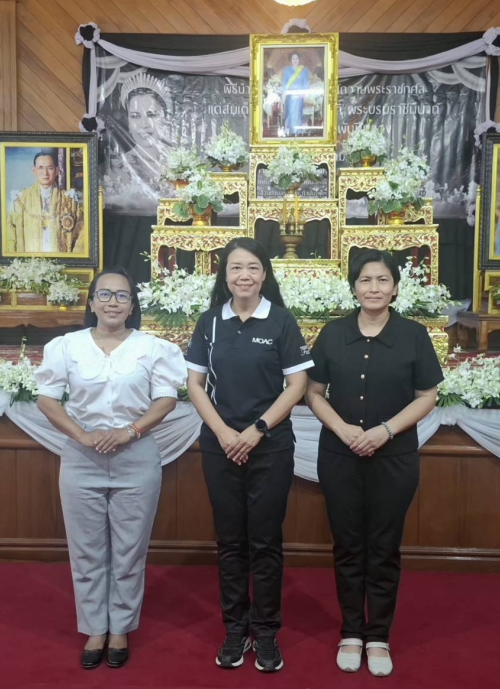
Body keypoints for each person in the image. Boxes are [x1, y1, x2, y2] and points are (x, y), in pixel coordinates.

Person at [35, 266, 186, 670]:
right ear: (91, 302)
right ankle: (94, 629)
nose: (113, 302)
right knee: (86, 550)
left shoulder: (153, 348)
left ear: (132, 305)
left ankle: (120, 627)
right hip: (81, 458)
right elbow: (47, 398)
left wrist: (129, 431)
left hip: (136, 456)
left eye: (122, 296)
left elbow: (166, 399)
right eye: (104, 294)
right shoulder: (67, 346)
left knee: (129, 551)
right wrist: (81, 435)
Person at [305, 250, 443, 678]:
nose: (374, 288)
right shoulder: (333, 333)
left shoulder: (413, 335)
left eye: (383, 280)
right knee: (348, 545)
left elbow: (428, 396)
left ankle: (378, 636)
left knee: (383, 548)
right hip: (339, 455)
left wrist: (386, 430)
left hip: (394, 457)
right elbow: (313, 392)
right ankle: (351, 632)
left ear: (395, 288)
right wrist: (343, 429)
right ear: (354, 287)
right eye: (365, 280)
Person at [185, 237, 313, 673]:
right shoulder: (210, 322)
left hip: (269, 446)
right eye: (236, 267)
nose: (245, 275)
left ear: (264, 275)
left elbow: (297, 385)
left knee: (265, 542)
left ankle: (267, 631)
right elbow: (195, 384)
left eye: (253, 267)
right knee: (230, 542)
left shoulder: (281, 321)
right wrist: (224, 433)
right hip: (220, 446)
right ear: (225, 275)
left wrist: (257, 430)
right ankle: (235, 629)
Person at [102, 71, 174, 213]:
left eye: (151, 115)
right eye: (135, 116)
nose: (144, 124)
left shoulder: (181, 165)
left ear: (164, 119)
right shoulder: (117, 169)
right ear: (128, 123)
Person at [8, 150, 84, 254]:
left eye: (50, 168)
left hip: (61, 259)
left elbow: (81, 231)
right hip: (31, 261)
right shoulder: (20, 200)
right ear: (34, 170)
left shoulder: (69, 201)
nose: (45, 173)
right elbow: (10, 234)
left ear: (57, 171)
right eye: (40, 168)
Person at [281, 52, 310, 136]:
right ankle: (291, 132)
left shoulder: (304, 70)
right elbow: (284, 83)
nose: (295, 60)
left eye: (297, 58)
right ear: (290, 60)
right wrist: (283, 95)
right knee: (290, 113)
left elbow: (305, 83)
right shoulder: (287, 70)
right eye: (293, 59)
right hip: (290, 96)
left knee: (298, 113)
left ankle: (298, 132)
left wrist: (306, 94)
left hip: (300, 96)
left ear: (299, 60)